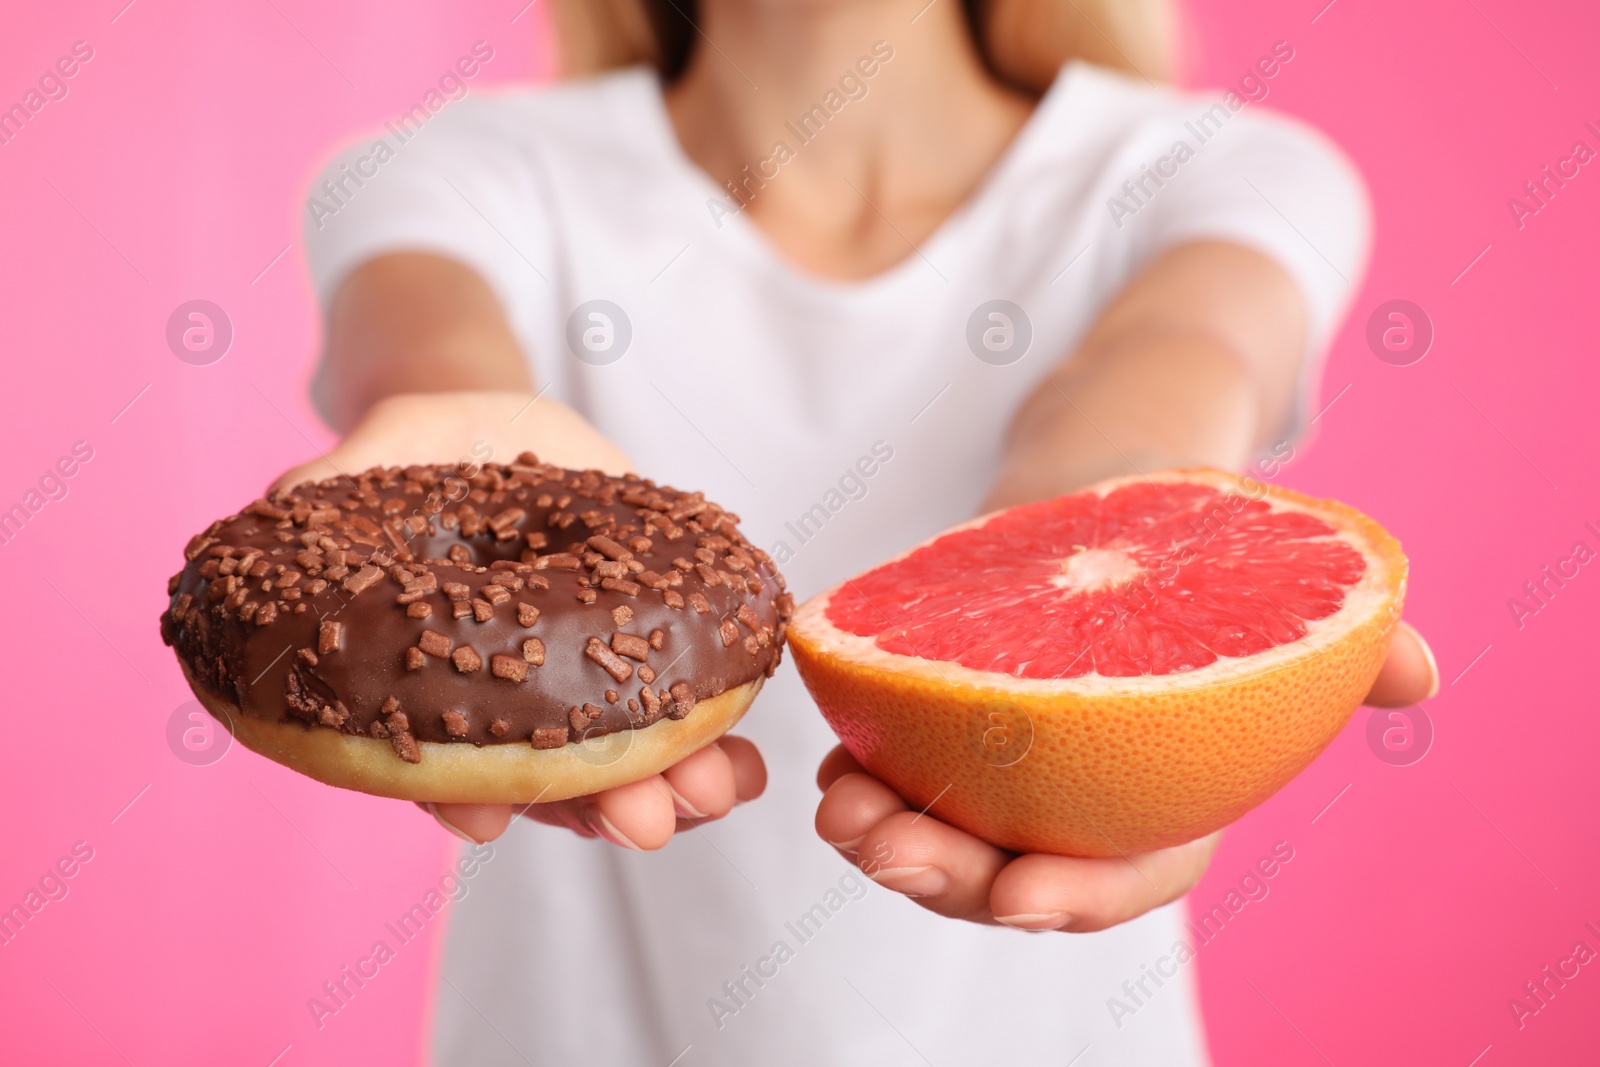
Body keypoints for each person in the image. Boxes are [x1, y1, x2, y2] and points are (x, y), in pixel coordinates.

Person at [281, 0, 1439, 1061]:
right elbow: (432, 343)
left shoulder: (1213, 170)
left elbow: (1183, 355)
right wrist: (447, 433)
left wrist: (1100, 523)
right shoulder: (461, 168)